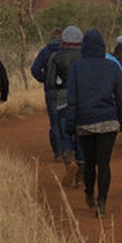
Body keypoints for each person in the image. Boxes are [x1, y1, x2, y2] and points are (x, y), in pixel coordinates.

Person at [66, 28, 122, 217]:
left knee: (90, 161)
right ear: (102, 46)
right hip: (109, 121)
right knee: (104, 163)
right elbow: (121, 97)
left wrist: (70, 124)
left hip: (85, 122)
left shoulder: (76, 67)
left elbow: (72, 100)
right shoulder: (113, 67)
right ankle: (102, 203)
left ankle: (88, 193)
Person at [45, 25, 84, 186]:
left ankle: (69, 162)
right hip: (83, 100)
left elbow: (50, 83)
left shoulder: (56, 56)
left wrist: (61, 84)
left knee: (65, 133)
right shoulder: (86, 55)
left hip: (63, 100)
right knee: (81, 134)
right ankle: (80, 179)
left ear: (64, 40)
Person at [30, 27, 62, 159]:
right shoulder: (66, 51)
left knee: (55, 121)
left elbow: (35, 69)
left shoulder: (45, 52)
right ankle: (69, 151)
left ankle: (58, 153)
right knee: (68, 119)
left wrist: (46, 79)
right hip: (67, 90)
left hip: (51, 91)